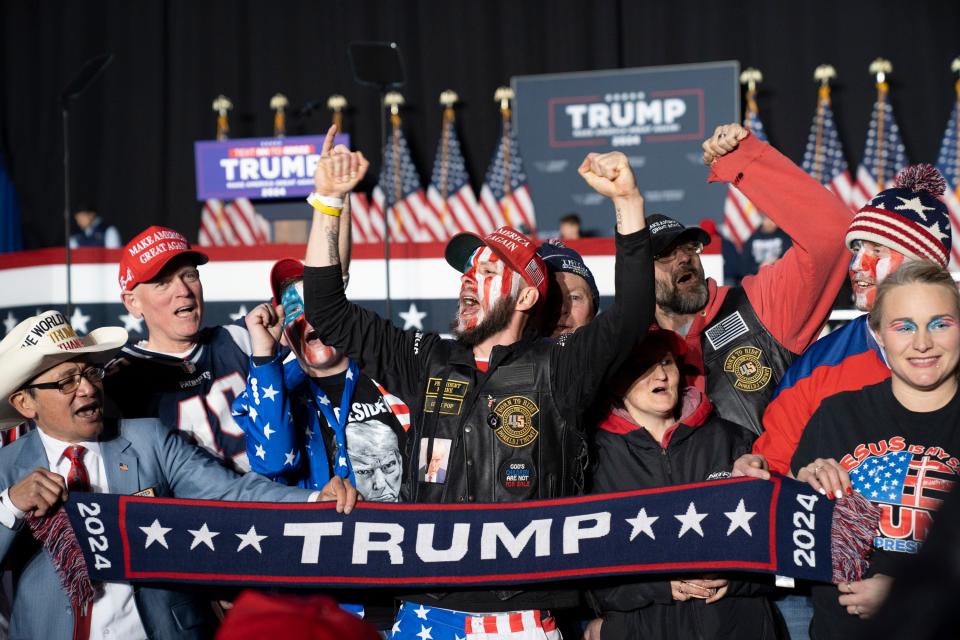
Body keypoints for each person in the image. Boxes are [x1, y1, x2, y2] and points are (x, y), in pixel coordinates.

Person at [302, 125, 654, 638]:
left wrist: (627, 201)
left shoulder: (560, 366)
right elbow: (327, 311)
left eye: (489, 271)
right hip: (426, 609)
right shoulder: (425, 359)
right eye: (467, 271)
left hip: (522, 617)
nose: (469, 279)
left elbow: (634, 312)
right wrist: (329, 201)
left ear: (527, 298)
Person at [0, 311, 356, 640]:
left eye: (91, 372)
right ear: (24, 403)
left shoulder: (148, 439)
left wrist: (312, 500)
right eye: (66, 382)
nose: (89, 388)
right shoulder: (6, 469)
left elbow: (230, 492)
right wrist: (10, 507)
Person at [737, 165, 952, 478]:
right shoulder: (821, 364)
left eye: (876, 250)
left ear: (924, 266)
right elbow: (774, 473)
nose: (856, 266)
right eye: (856, 249)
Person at [790, 261, 960, 639]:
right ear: (879, 334)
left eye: (940, 323)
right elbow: (795, 541)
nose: (922, 343)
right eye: (903, 326)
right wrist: (798, 488)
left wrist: (909, 595)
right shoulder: (836, 414)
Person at [652, 123, 853, 436]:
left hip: (762, 484)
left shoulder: (759, 307)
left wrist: (744, 161)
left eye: (690, 246)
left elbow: (831, 233)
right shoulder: (624, 345)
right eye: (665, 254)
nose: (684, 257)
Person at [104, 221, 347, 472]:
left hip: (275, 498)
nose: (184, 291)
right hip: (190, 510)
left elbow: (322, 292)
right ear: (132, 303)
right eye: (163, 283)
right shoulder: (119, 379)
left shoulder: (242, 337)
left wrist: (333, 202)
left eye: (189, 275)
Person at [584, 330, 777, 640]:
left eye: (666, 362)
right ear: (616, 379)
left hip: (737, 625)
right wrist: (657, 586)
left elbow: (782, 550)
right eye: (644, 366)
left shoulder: (732, 440)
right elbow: (581, 571)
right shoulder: (593, 457)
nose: (660, 374)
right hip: (643, 630)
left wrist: (737, 580)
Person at [231, 257, 410, 500]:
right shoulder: (273, 389)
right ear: (284, 330)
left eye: (319, 306)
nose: (310, 318)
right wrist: (264, 354)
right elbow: (272, 464)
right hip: (322, 533)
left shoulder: (388, 370)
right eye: (296, 310)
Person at [536, 239, 600, 337]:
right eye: (550, 298)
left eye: (574, 297)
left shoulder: (614, 351)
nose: (562, 309)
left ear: (593, 306)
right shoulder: (511, 351)